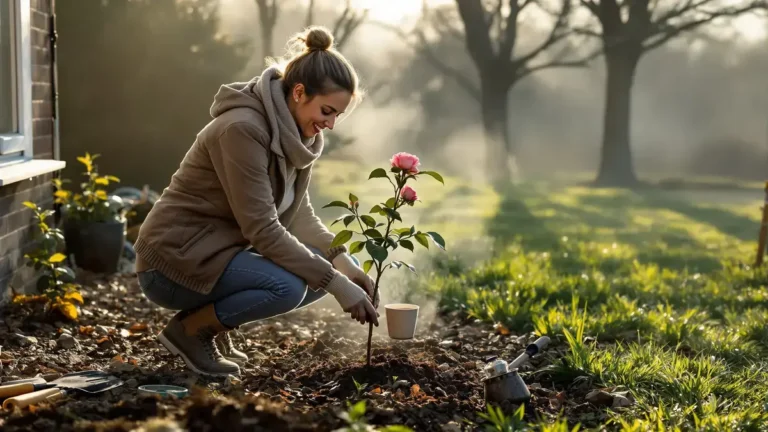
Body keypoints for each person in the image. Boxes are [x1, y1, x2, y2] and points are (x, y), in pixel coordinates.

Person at [133, 26, 379, 377]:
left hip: (216, 253)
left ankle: (210, 326)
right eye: (327, 110)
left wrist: (345, 263)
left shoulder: (293, 134)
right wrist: (337, 284)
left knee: (315, 278)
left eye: (337, 115)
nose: (331, 124)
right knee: (289, 286)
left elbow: (298, 214)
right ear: (298, 92)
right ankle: (190, 331)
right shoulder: (242, 129)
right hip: (174, 261)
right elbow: (262, 229)